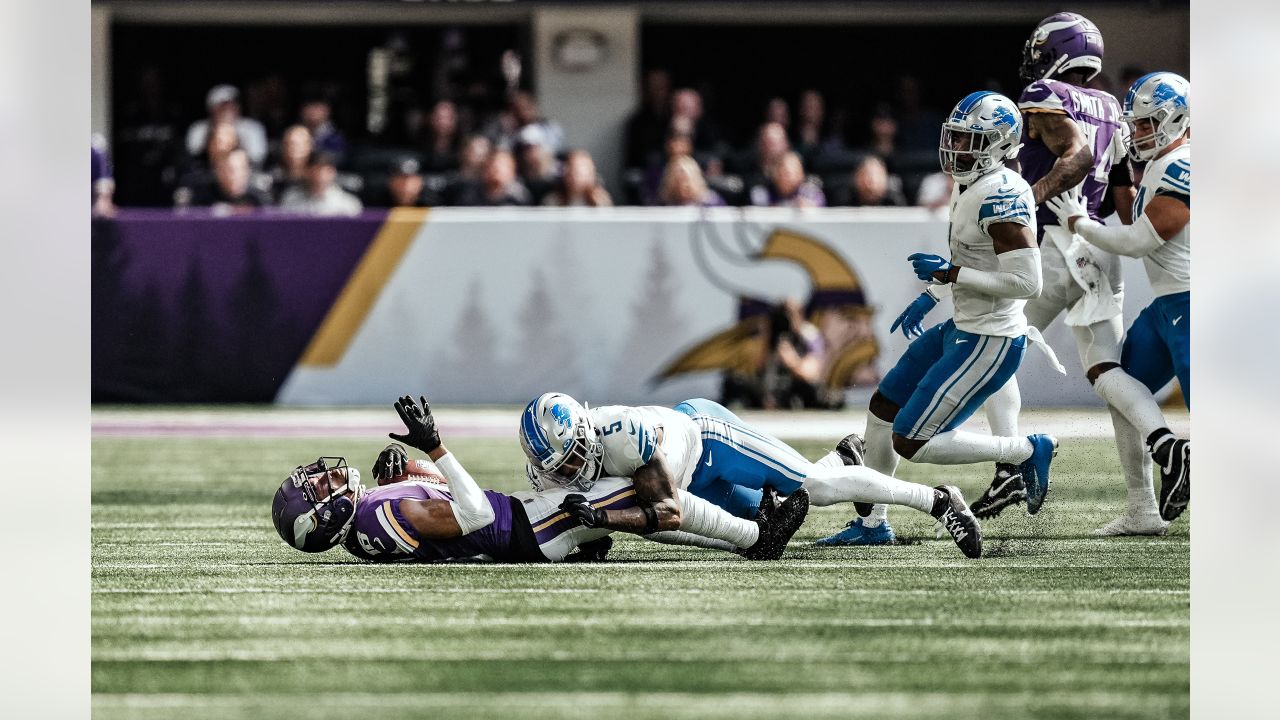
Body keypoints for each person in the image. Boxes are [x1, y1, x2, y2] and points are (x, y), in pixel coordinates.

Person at [816, 92, 1059, 547]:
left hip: (991, 338)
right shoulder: (971, 183)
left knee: (913, 438)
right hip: (962, 329)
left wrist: (950, 274)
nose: (959, 149)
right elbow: (971, 254)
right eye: (958, 138)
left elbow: (1028, 283)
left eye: (972, 140)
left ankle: (1027, 449)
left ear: (999, 144)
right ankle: (874, 524)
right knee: (882, 409)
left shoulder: (1002, 193)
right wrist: (934, 294)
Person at [962, 12, 1155, 527]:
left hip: (1049, 243)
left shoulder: (1048, 93)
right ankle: (1144, 503)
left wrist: (1029, 196)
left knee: (996, 343)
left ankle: (1010, 463)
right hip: (1094, 244)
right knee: (1111, 374)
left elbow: (1079, 155)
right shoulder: (1113, 105)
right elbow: (1122, 196)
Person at [271, 396, 807, 563]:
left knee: (632, 509)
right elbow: (474, 514)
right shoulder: (376, 514)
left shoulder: (372, 518)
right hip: (528, 529)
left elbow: (445, 507)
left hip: (523, 527)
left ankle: (745, 531)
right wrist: (434, 444)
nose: (325, 477)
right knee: (647, 494)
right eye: (317, 490)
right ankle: (757, 538)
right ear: (324, 520)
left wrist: (415, 469)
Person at [518, 392, 984, 558]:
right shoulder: (552, 467)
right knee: (759, 534)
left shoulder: (624, 433)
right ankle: (845, 457)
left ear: (585, 429)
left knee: (815, 490)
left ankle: (938, 500)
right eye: (562, 466)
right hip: (690, 483)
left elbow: (665, 510)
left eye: (576, 455)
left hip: (709, 440)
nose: (573, 470)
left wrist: (604, 521)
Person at [1044, 72, 1191, 528]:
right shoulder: (1161, 165)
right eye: (1137, 124)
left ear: (1177, 119)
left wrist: (1079, 224)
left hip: (1196, 305)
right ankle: (1144, 505)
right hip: (1169, 306)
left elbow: (1139, 240)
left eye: (1148, 124)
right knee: (1125, 386)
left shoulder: (1187, 162)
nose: (1139, 132)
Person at [185, 84, 268, 166]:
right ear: (211, 109)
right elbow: (193, 158)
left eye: (232, 104)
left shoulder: (253, 128)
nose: (228, 110)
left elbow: (257, 159)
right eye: (223, 106)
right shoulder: (197, 129)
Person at [278, 151, 363, 217]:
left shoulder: (349, 204)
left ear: (333, 172)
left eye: (325, 170)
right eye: (315, 169)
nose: (320, 175)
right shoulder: (290, 199)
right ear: (306, 171)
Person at [451, 149, 532, 206]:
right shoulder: (470, 197)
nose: (495, 169)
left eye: (502, 165)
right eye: (491, 165)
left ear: (512, 171)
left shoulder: (519, 198)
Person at [749, 152, 825, 208]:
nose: (788, 176)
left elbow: (820, 211)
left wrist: (809, 207)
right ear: (774, 173)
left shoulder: (811, 193)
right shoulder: (761, 193)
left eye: (793, 171)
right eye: (784, 171)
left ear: (801, 174)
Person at [542, 150, 613, 207]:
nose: (575, 178)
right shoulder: (553, 201)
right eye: (571, 172)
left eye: (579, 174)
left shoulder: (600, 200)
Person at [658, 155, 725, 207]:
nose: (683, 185)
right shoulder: (665, 205)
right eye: (678, 181)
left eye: (686, 179)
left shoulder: (712, 203)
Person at [268, 125, 313, 202]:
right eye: (289, 144)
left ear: (309, 147)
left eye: (299, 145)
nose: (294, 149)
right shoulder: (272, 178)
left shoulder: (317, 177)